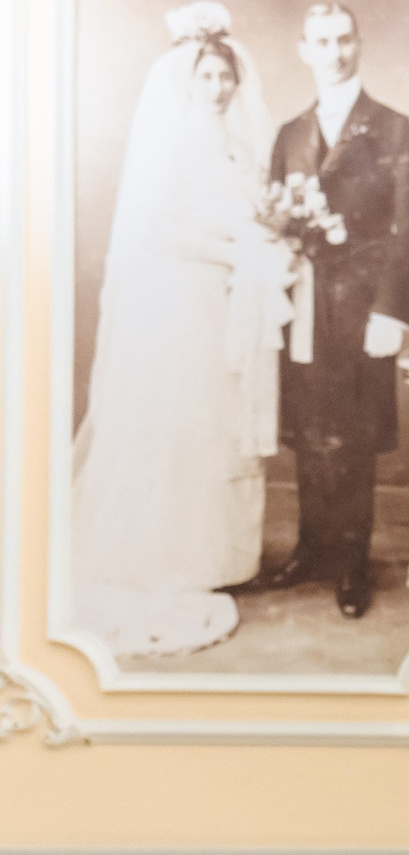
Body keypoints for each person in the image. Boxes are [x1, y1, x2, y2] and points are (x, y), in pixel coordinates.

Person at [68, 3, 293, 660]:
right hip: (184, 298)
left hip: (229, 298)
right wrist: (237, 254)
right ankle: (172, 555)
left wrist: (263, 241)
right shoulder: (172, 142)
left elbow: (249, 211)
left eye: (226, 76)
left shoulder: (243, 145)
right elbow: (163, 231)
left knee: (222, 418)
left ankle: (223, 554)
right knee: (184, 416)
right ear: (187, 82)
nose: (220, 87)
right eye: (208, 77)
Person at [222, 3, 409, 620]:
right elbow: (276, 219)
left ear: (357, 45)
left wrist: (391, 311)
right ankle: (311, 548)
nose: (333, 52)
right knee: (309, 429)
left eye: (343, 40)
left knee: (355, 434)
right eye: (321, 41)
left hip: (363, 307)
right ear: (303, 50)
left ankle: (352, 561)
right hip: (304, 301)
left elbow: (407, 228)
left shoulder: (390, 127)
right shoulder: (290, 133)